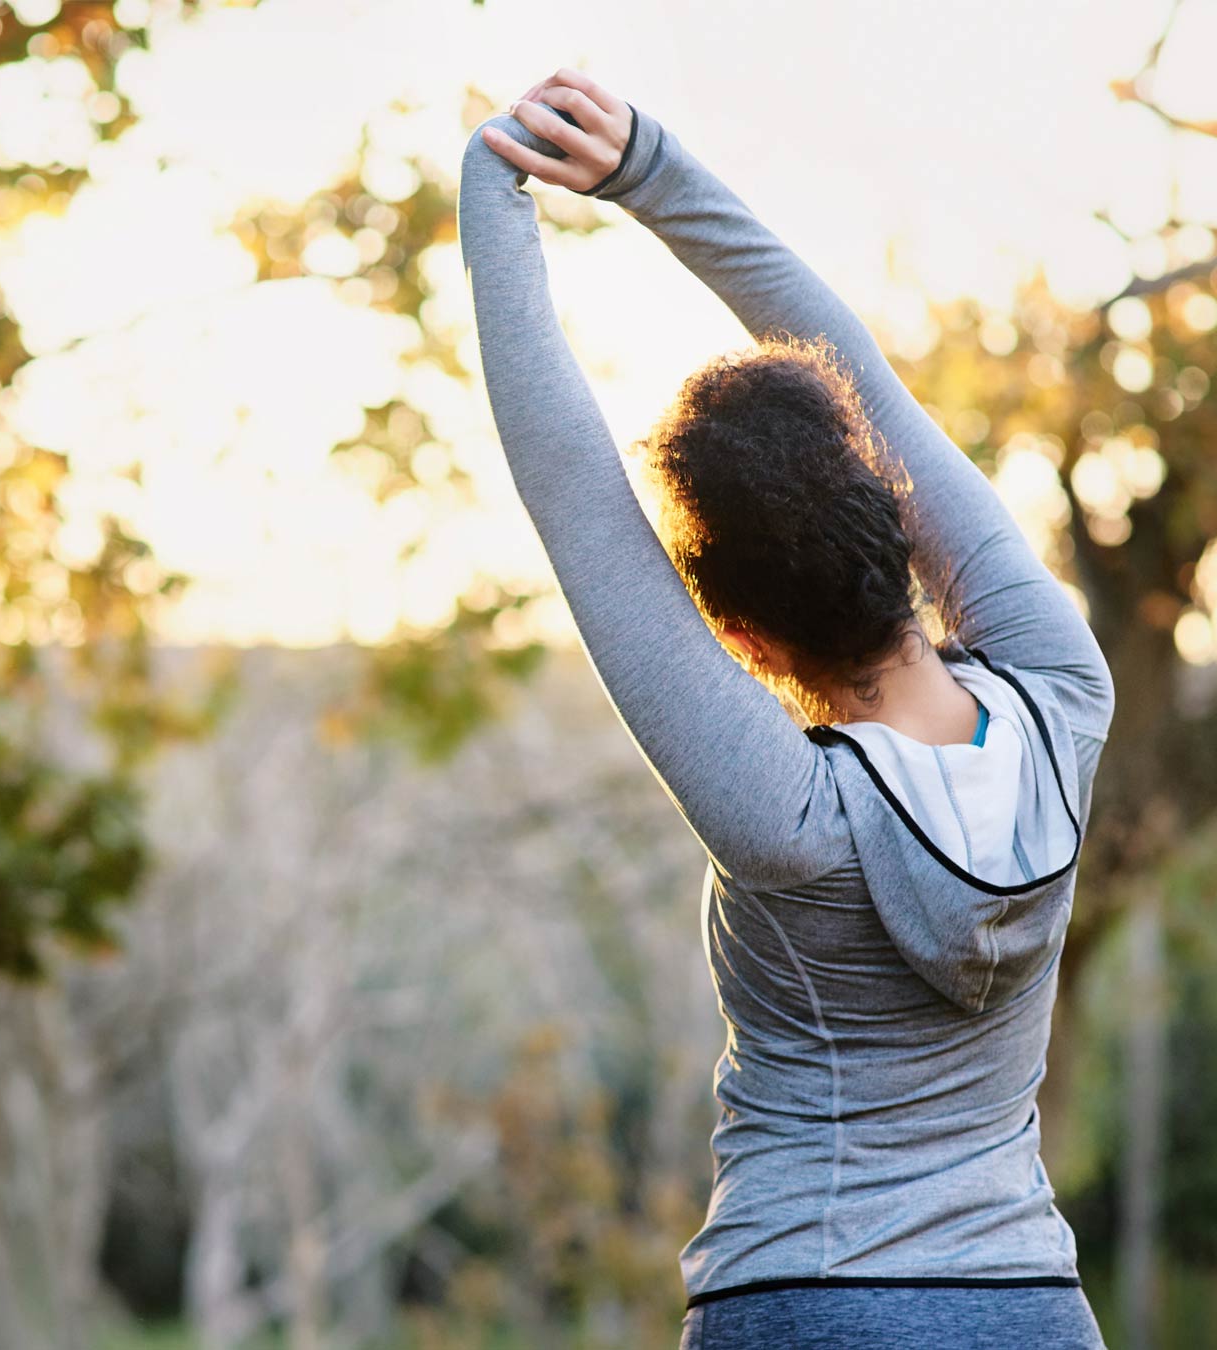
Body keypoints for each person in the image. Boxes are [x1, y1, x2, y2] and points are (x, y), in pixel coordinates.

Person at [459, 69, 1117, 1348]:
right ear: (896, 516)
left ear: (741, 636)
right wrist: (652, 169)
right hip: (1031, 1308)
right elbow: (861, 377)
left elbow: (575, 495)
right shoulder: (1063, 697)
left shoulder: (789, 818)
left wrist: (496, 177)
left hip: (806, 1300)